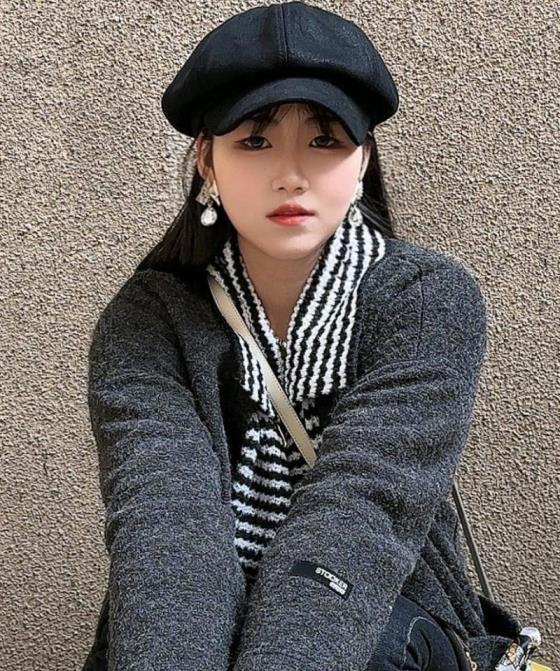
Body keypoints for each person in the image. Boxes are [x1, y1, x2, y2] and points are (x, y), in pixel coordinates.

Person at [81, 3, 522, 671]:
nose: (291, 172)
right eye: (255, 141)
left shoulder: (426, 300)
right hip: (194, 620)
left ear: (363, 157)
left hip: (384, 618)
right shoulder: (149, 318)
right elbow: (166, 529)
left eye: (324, 139)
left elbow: (359, 517)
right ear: (206, 160)